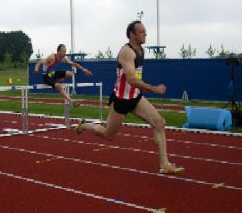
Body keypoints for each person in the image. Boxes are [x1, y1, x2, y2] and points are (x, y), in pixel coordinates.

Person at [76, 20, 184, 174]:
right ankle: (85, 126)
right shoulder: (127, 52)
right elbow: (132, 79)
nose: (145, 34)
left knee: (159, 123)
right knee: (108, 135)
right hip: (121, 100)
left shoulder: (141, 50)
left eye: (145, 31)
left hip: (135, 97)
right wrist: (154, 89)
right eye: (141, 32)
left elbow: (134, 80)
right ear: (132, 35)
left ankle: (165, 165)